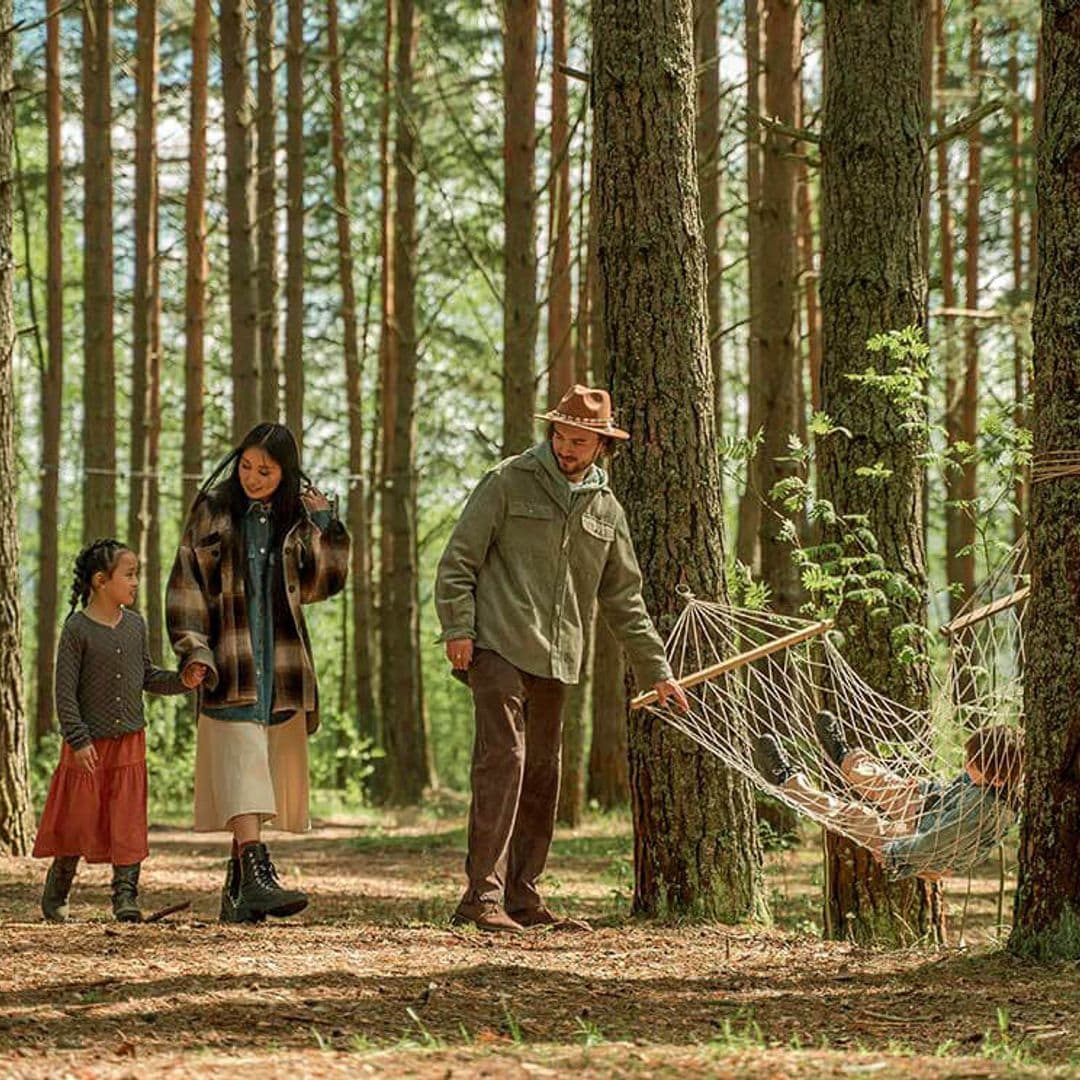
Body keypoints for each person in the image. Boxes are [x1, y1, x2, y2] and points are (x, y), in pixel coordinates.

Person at [435, 384, 689, 933]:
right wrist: (458, 627)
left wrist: (657, 670)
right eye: (560, 436)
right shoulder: (507, 481)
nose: (566, 449)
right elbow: (458, 561)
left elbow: (624, 599)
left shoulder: (607, 509)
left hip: (559, 658)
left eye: (579, 441)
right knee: (504, 760)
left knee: (543, 774)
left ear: (601, 444)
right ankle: (480, 897)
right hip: (497, 642)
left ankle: (523, 898)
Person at [167, 422, 350, 924]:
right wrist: (192, 650)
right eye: (246, 466)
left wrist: (327, 526)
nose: (253, 477)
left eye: (265, 470)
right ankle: (257, 873)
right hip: (227, 661)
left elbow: (323, 584)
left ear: (285, 472)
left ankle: (237, 893)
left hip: (282, 665)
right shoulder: (213, 509)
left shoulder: (298, 517)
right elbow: (186, 581)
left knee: (258, 768)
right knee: (244, 761)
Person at [34, 539, 206, 922]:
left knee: (127, 820)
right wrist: (77, 739)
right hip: (86, 744)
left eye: (137, 575)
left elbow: (146, 676)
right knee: (78, 819)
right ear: (100, 581)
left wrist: (183, 680)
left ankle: (125, 896)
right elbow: (64, 693)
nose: (135, 582)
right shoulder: (77, 629)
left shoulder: (135, 625)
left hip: (130, 740)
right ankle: (58, 888)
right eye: (129, 575)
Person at [753, 710, 1022, 881]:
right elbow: (955, 793)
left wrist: (897, 854)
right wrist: (924, 789)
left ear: (997, 778)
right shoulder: (996, 782)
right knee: (890, 784)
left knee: (855, 816)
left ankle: (787, 780)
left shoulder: (981, 809)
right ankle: (846, 758)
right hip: (931, 820)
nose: (966, 767)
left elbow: (941, 841)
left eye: (972, 765)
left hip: (928, 850)